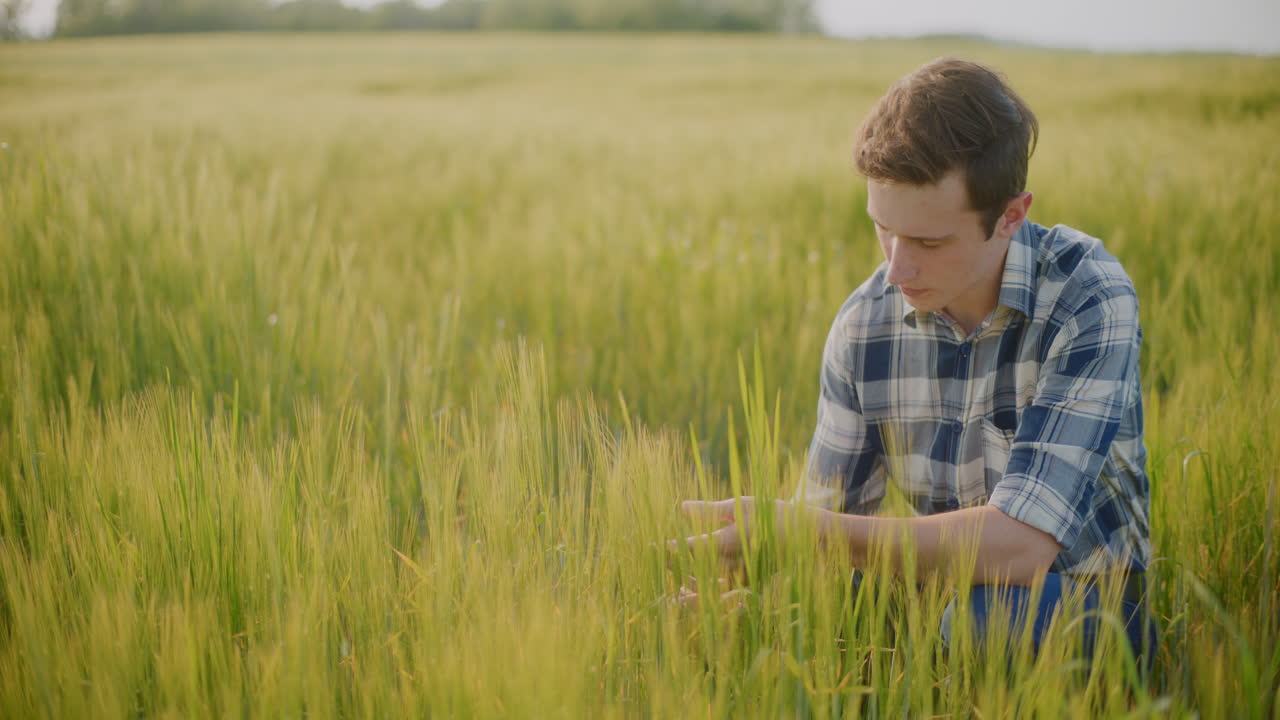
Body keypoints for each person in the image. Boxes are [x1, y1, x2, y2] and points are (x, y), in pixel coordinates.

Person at [676, 57, 1154, 662]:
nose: (897, 269)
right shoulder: (864, 323)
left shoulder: (1086, 295)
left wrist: (802, 531)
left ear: (1011, 216)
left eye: (929, 242)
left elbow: (1025, 544)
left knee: (989, 619)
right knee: (803, 614)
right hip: (934, 588)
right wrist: (751, 598)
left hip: (1084, 603)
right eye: (884, 229)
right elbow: (828, 528)